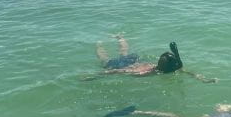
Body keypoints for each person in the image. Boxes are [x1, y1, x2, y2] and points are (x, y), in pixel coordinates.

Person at [84, 36, 216, 83]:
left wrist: (204, 79)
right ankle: (99, 44)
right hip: (127, 66)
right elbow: (120, 72)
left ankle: (118, 38)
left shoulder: (171, 68)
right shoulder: (171, 69)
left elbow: (190, 73)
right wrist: (97, 76)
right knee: (105, 59)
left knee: (124, 53)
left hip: (133, 62)